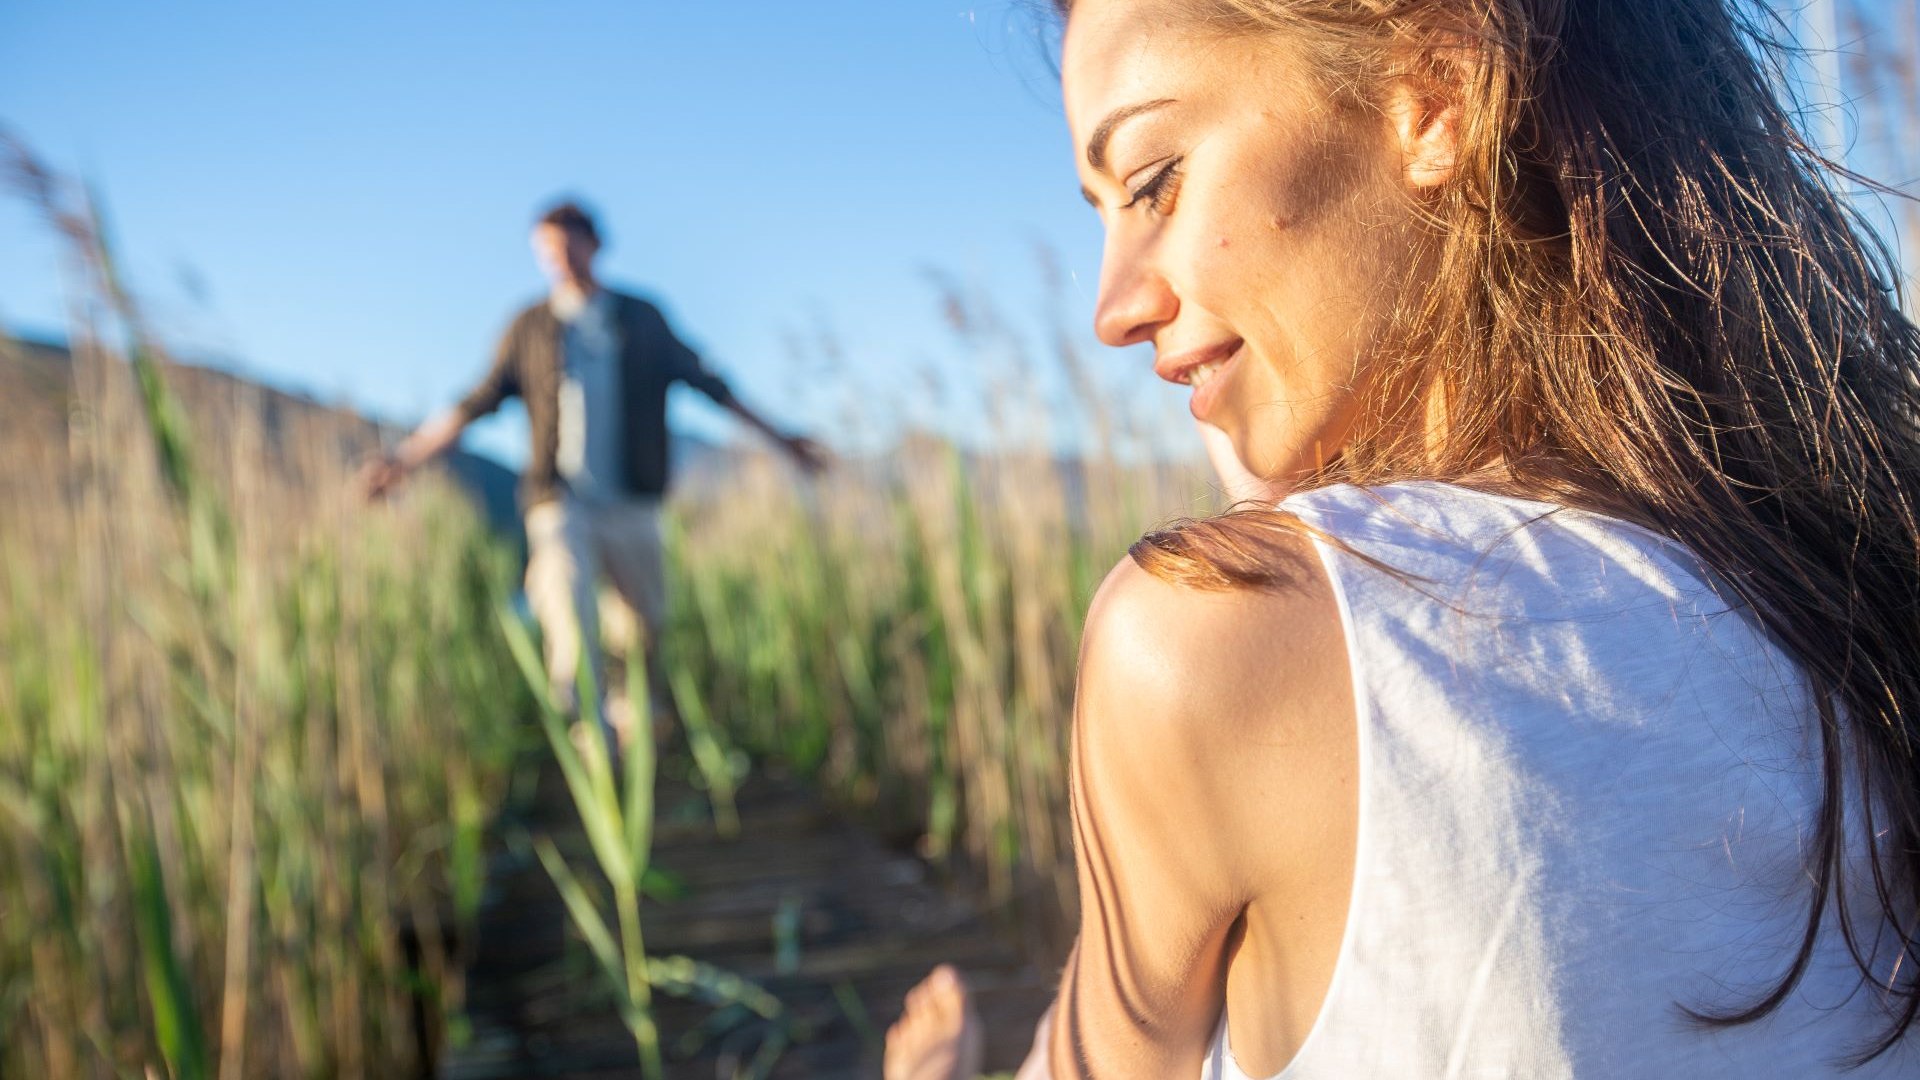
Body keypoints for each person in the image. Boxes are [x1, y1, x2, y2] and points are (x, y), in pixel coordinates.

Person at [885, 0, 1920, 1077]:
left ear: (1436, 92)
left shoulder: (1213, 642)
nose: (1113, 306)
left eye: (1155, 181)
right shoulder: (1843, 591)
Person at [364, 200, 821, 729]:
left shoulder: (642, 319)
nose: (558, 261)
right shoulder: (529, 327)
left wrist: (784, 441)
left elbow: (712, 385)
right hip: (561, 503)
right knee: (566, 607)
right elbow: (474, 403)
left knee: (644, 629)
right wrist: (406, 459)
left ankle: (638, 737)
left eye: (567, 247)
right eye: (546, 252)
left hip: (634, 502)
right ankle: (588, 741)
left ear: (594, 245)